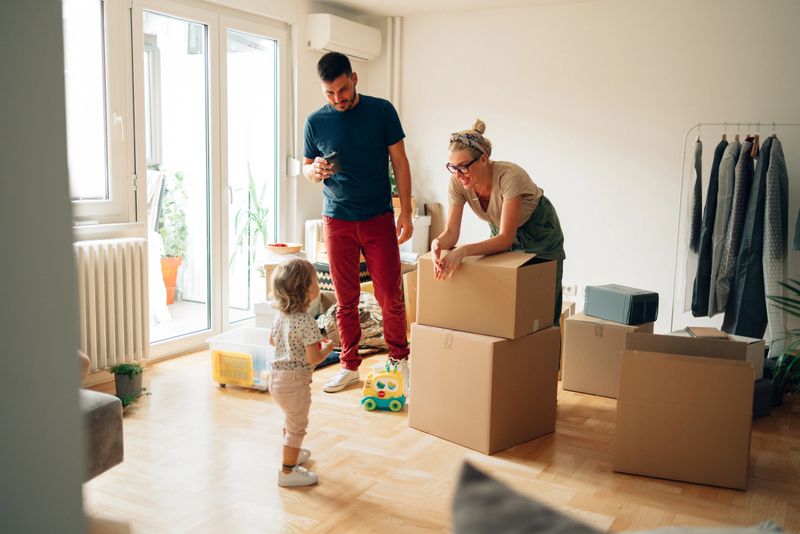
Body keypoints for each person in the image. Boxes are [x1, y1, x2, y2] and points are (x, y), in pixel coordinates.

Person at [302, 51, 413, 393]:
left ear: (354, 78)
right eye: (329, 93)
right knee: (345, 299)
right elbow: (307, 168)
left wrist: (406, 212)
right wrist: (313, 170)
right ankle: (349, 366)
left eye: (342, 90)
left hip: (378, 217)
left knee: (389, 296)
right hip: (337, 220)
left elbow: (400, 162)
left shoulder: (381, 111)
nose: (338, 98)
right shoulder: (315, 122)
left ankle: (399, 359)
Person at [432, 119, 566, 324]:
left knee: (542, 308)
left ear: (483, 159)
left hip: (538, 231)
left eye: (463, 166)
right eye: (453, 167)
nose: (458, 175)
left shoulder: (509, 176)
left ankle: (545, 343)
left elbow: (505, 239)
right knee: (505, 305)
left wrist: (463, 250)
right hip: (502, 230)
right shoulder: (458, 182)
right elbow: (451, 233)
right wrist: (438, 243)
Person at [268, 258, 335, 487]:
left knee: (290, 419)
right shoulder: (306, 321)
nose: (318, 284)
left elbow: (272, 341)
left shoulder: (280, 315)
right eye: (315, 281)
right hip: (295, 382)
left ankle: (292, 455)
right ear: (306, 289)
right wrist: (328, 348)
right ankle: (288, 472)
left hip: (276, 379)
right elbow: (313, 358)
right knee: (297, 427)